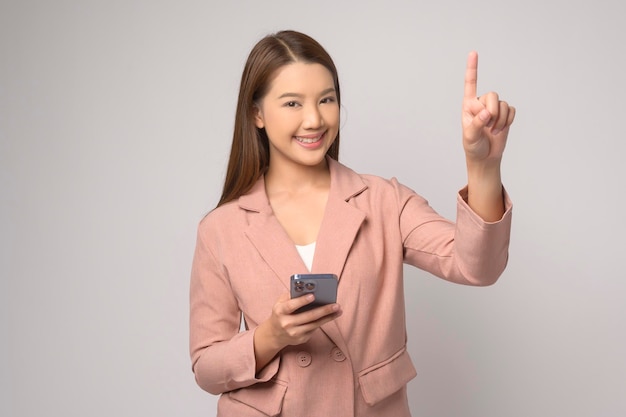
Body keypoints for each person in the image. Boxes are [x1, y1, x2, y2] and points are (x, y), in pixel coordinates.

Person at [189, 30, 515, 417]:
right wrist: (268, 338)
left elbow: (477, 267)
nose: (314, 119)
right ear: (257, 113)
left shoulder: (383, 201)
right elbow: (207, 368)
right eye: (292, 103)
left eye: (327, 99)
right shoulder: (221, 229)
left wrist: (482, 165)